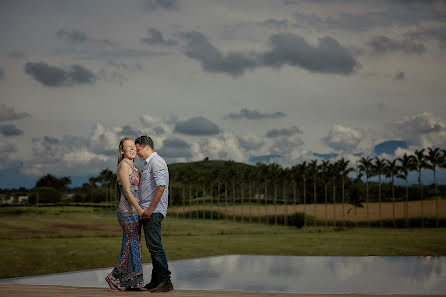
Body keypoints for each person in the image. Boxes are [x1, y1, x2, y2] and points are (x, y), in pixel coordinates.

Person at [105, 137, 146, 291]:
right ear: (122, 151)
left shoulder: (134, 167)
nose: (132, 149)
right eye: (128, 147)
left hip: (134, 213)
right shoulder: (123, 165)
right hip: (127, 212)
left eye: (133, 146)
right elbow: (128, 192)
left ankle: (132, 282)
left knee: (134, 246)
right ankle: (112, 277)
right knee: (131, 246)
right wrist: (140, 209)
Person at [135, 135, 173, 293]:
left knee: (155, 247)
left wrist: (150, 209)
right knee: (152, 247)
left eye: (138, 150)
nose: (137, 153)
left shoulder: (156, 162)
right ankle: (155, 281)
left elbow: (161, 187)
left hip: (154, 211)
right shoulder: (148, 163)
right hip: (149, 211)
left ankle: (166, 281)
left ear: (146, 147)